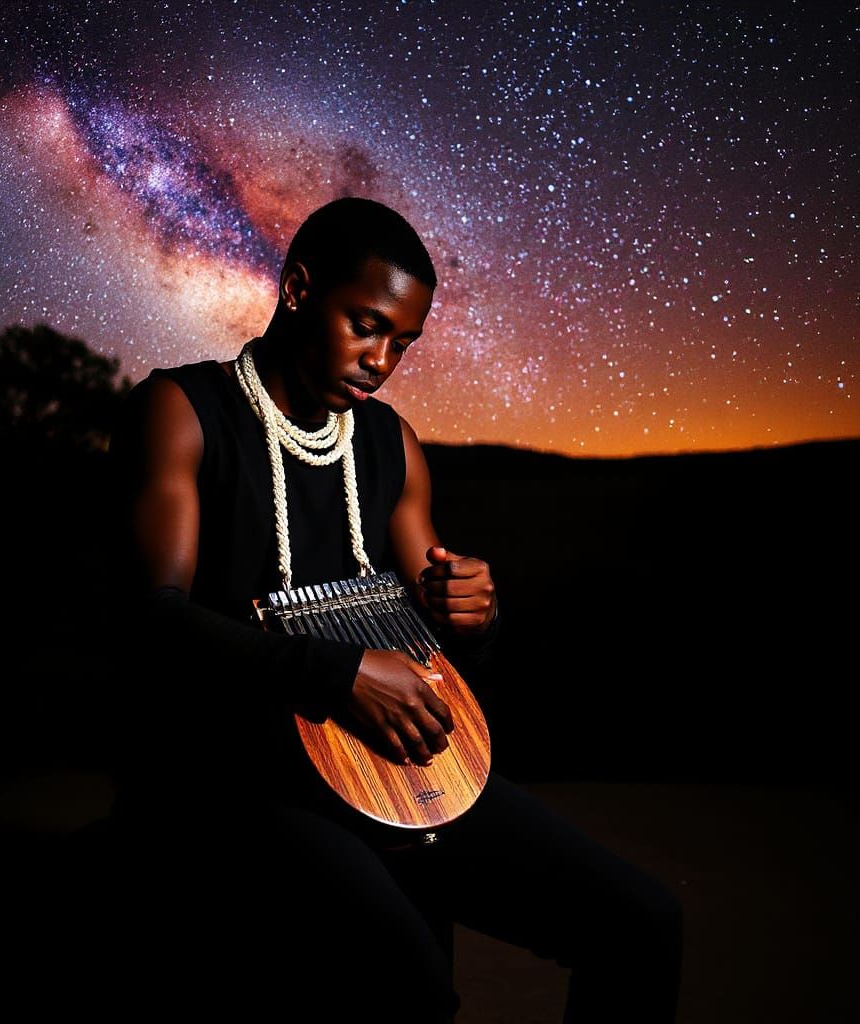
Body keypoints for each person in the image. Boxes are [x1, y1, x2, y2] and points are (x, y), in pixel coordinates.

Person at [97, 197, 683, 1022]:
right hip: (239, 779)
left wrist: (473, 614)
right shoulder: (184, 412)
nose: (381, 360)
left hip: (393, 772)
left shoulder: (390, 442)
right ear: (298, 290)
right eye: (365, 325)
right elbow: (149, 623)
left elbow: (444, 647)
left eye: (402, 343)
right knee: (405, 981)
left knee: (644, 922)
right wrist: (336, 674)